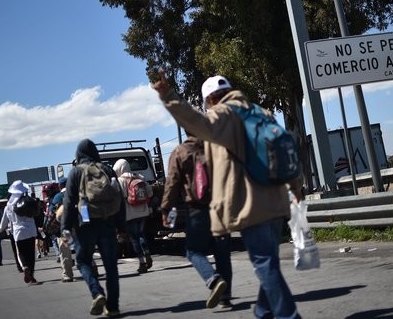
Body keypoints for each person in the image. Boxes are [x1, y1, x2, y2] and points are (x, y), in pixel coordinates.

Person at [152, 71, 303, 319]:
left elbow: (196, 123)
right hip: (276, 200)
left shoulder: (223, 114)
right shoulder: (260, 112)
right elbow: (284, 151)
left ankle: (289, 316)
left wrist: (168, 96)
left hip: (251, 205)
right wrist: (295, 189)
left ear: (210, 99)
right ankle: (263, 313)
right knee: (269, 264)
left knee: (265, 264)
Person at [162, 132, 232, 309]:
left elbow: (172, 182)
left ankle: (213, 279)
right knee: (221, 252)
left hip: (197, 210)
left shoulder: (181, 151)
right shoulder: (215, 147)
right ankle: (225, 297)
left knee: (193, 251)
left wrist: (166, 208)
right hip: (221, 208)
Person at [62, 138, 121, 317]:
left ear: (78, 155)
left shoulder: (75, 172)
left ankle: (97, 292)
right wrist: (121, 224)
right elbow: (119, 197)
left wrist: (65, 227)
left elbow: (69, 201)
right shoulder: (107, 170)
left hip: (84, 225)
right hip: (107, 222)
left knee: (83, 261)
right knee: (111, 266)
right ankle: (113, 307)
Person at [113, 158, 153, 274]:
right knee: (141, 235)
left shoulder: (119, 181)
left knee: (134, 238)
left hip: (129, 214)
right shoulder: (140, 177)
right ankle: (147, 253)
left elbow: (116, 198)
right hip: (143, 212)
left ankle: (142, 263)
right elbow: (150, 192)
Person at [0, 180, 40, 284]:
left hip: (18, 232)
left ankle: (25, 267)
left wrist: (0, 229)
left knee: (21, 253)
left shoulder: (8, 205)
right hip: (30, 231)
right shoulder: (27, 201)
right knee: (31, 254)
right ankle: (32, 276)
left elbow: (4, 222)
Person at [49, 176, 74, 282]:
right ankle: (93, 270)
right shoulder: (76, 194)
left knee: (65, 251)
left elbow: (51, 213)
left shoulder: (58, 197)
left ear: (60, 186)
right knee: (84, 248)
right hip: (79, 226)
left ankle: (67, 275)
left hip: (65, 229)